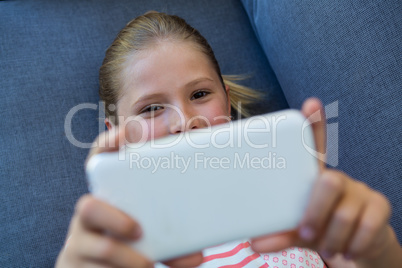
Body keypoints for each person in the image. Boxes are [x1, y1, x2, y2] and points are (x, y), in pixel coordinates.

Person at [55, 11, 401, 268]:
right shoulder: (112, 240)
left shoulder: (292, 194)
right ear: (115, 130)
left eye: (200, 94)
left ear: (228, 99)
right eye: (152, 108)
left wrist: (377, 251)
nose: (185, 122)